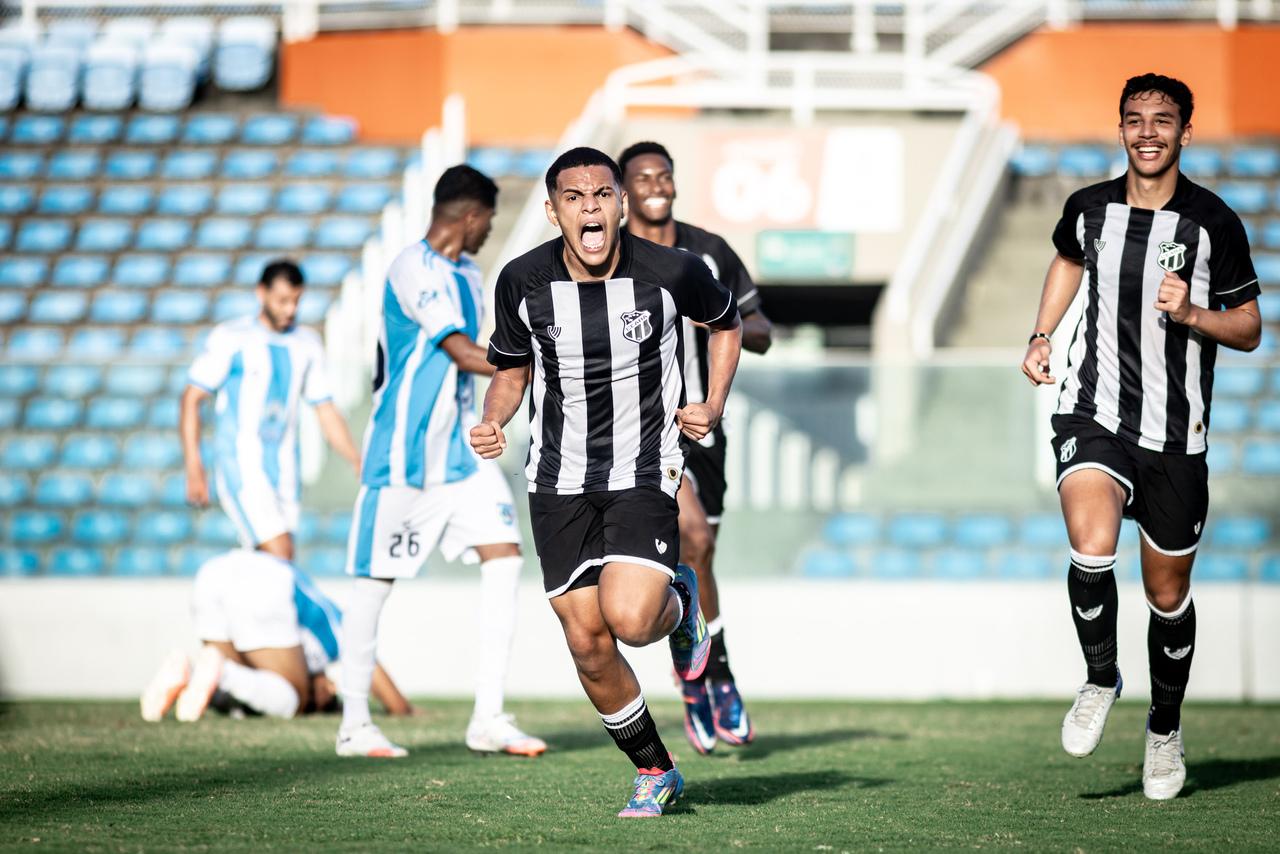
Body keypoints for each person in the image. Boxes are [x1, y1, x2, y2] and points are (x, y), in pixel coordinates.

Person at [471, 147, 743, 817]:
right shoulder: (521, 280)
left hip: (645, 467)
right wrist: (492, 419)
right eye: (574, 196)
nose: (589, 206)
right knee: (588, 641)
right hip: (556, 479)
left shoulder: (673, 271)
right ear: (554, 210)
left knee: (630, 618)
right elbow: (510, 367)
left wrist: (712, 402)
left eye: (601, 194)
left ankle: (678, 605)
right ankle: (655, 770)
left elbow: (727, 324)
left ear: (620, 205)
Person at [1020, 73, 1262, 800]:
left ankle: (1164, 729)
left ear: (1185, 132)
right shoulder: (1089, 208)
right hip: (1093, 411)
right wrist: (1041, 334)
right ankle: (1100, 678)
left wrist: (1193, 315)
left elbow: (1248, 327)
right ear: (1120, 128)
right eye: (1135, 119)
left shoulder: (1214, 223)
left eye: (1163, 120)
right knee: (1091, 545)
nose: (1147, 132)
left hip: (1176, 437)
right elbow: (1067, 257)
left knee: (1166, 594)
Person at [335, 165, 545, 760]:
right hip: (403, 456)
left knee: (504, 557)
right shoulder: (412, 267)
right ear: (471, 215)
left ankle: (489, 717)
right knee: (375, 583)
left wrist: (516, 364)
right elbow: (457, 349)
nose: (488, 232)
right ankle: (354, 723)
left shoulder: (470, 273)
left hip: (459, 456)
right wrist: (526, 364)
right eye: (489, 221)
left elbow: (474, 355)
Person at [619, 140, 773, 754]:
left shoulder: (709, 253)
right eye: (642, 177)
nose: (656, 185)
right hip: (643, 431)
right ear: (624, 190)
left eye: (664, 175)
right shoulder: (613, 257)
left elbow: (758, 327)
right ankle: (702, 680)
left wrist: (721, 316)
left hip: (706, 428)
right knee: (696, 541)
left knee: (702, 558)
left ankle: (711, 670)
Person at [180, 259, 361, 562]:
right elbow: (191, 398)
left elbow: (325, 409)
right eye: (282, 301)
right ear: (261, 293)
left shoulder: (307, 344)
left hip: (286, 470)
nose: (290, 309)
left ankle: (231, 608)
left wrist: (356, 458)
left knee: (267, 565)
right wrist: (193, 465)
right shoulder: (232, 338)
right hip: (242, 464)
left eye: (296, 301)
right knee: (281, 555)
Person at [140, 549, 413, 722]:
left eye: (327, 701)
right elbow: (368, 664)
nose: (328, 692)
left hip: (212, 573)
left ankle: (188, 672)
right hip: (264, 579)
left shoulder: (303, 651)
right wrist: (402, 709)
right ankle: (220, 670)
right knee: (294, 699)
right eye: (330, 696)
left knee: (233, 688)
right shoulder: (331, 635)